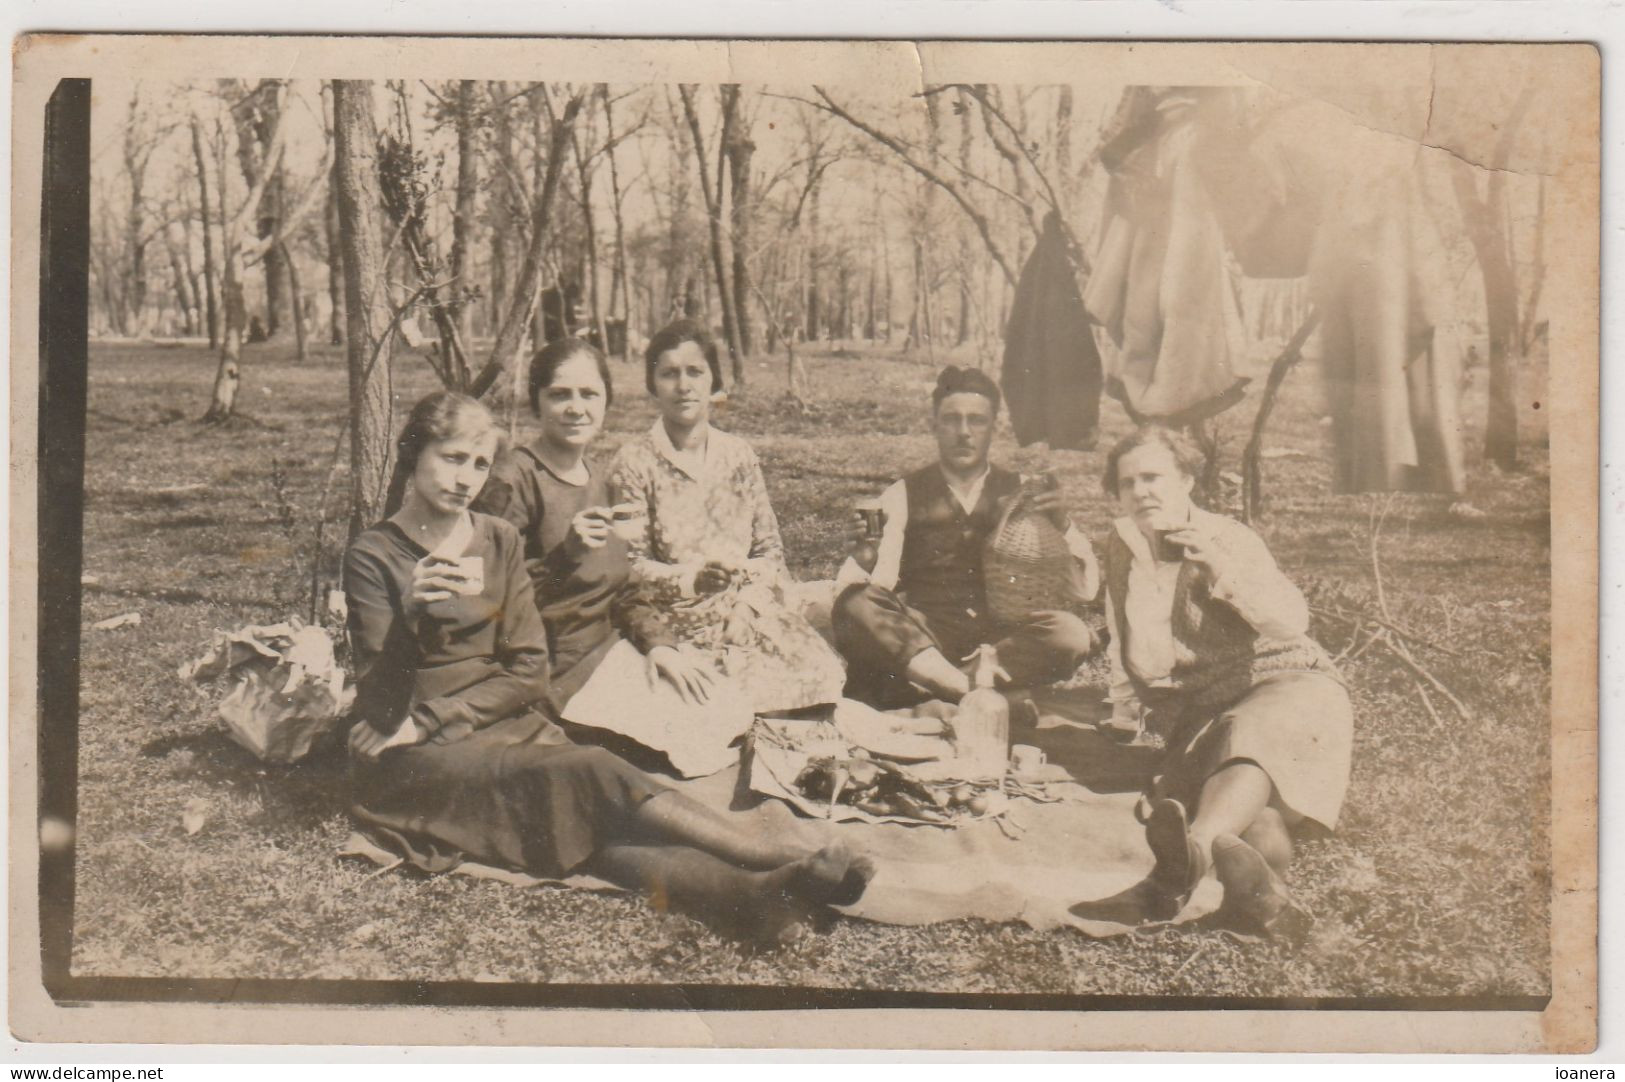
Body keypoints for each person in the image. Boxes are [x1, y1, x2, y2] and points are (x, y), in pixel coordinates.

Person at [343, 391, 869, 944]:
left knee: (583, 817)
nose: (465, 478)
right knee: (590, 771)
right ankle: (773, 852)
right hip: (417, 748)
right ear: (414, 452)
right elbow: (379, 706)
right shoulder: (374, 555)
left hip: (502, 718)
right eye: (451, 458)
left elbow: (528, 669)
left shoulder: (496, 538)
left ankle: (751, 897)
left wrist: (451, 711)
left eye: (478, 464)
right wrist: (407, 615)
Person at [1098, 424, 1353, 935]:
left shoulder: (1229, 538)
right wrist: (1122, 708)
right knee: (1257, 818)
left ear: (1186, 480)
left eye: (1154, 477)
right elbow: (1117, 630)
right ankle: (1262, 894)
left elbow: (1290, 622)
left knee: (1246, 734)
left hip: (1287, 683)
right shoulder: (1121, 545)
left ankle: (1184, 859)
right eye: (1128, 483)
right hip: (1203, 705)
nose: (1141, 492)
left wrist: (1222, 572)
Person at [471, 338, 747, 776]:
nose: (576, 408)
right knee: (685, 747)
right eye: (560, 394)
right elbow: (491, 603)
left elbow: (627, 589)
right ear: (536, 402)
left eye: (589, 394)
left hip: (607, 649)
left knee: (723, 711)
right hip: (550, 664)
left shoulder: (602, 481)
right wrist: (566, 556)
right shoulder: (512, 481)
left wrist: (660, 646)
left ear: (606, 402)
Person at [608, 319, 847, 714]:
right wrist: (693, 580)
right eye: (669, 374)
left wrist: (746, 608)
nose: (683, 386)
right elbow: (628, 569)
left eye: (695, 372)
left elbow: (770, 551)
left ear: (713, 381)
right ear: (652, 384)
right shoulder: (633, 463)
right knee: (699, 713)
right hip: (672, 623)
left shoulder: (738, 456)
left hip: (743, 616)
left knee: (818, 683)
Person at [831, 365, 1099, 708]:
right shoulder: (903, 493)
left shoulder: (1021, 492)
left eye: (976, 420)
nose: (963, 432)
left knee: (1071, 633)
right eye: (951, 419)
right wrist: (865, 560)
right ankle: (971, 693)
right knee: (854, 602)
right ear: (935, 426)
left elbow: (1083, 590)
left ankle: (936, 691)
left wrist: (1061, 526)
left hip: (1002, 642)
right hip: (928, 638)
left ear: (994, 428)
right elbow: (871, 590)